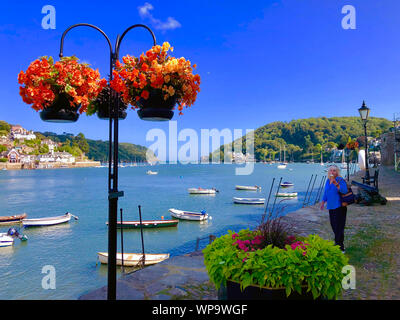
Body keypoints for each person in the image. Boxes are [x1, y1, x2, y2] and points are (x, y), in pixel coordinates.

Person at [320, 165, 348, 253]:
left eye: (334, 170)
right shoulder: (328, 181)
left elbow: (344, 191)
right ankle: (337, 243)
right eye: (331, 170)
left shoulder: (340, 180)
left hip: (339, 206)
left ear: (337, 172)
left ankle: (340, 247)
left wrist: (336, 183)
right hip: (331, 206)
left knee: (339, 227)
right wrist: (323, 201)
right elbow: (326, 192)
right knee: (333, 226)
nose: (332, 172)